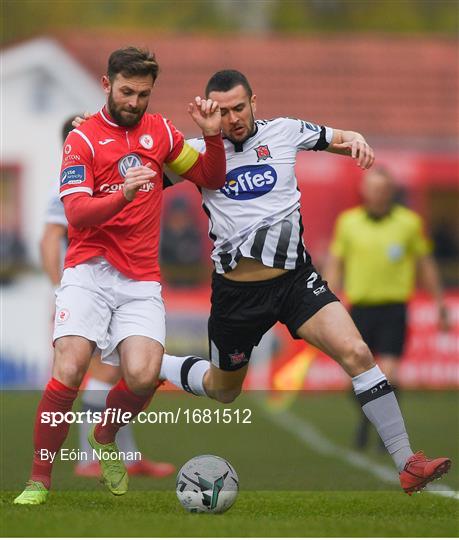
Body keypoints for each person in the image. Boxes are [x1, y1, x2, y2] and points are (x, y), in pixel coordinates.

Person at [72, 70, 452, 494]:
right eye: (222, 111)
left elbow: (338, 136)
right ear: (209, 112)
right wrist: (100, 135)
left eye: (239, 107)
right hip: (237, 296)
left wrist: (357, 140)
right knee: (223, 390)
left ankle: (408, 463)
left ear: (255, 102)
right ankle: (158, 366)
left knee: (357, 351)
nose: (232, 118)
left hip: (295, 282)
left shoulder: (286, 132)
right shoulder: (197, 156)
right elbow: (130, 173)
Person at [14, 46, 226, 505]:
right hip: (88, 272)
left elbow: (211, 176)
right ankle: (38, 479)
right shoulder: (83, 139)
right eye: (126, 91)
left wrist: (210, 138)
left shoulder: (162, 133)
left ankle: (105, 436)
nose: (133, 102)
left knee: (144, 374)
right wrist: (122, 198)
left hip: (140, 279)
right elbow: (77, 213)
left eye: (143, 94)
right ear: (107, 85)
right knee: (68, 368)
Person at [39, 117, 176, 479]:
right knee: (100, 372)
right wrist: (60, 290)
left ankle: (124, 456)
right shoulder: (65, 188)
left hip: (124, 280)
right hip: (88, 285)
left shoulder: (111, 169)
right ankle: (90, 458)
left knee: (120, 375)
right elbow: (50, 239)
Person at [323, 167, 449, 450]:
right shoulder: (348, 222)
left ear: (391, 192)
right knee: (352, 382)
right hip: (359, 311)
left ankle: (385, 432)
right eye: (373, 188)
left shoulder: (409, 223)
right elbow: (335, 261)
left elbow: (424, 264)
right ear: (364, 191)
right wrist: (327, 298)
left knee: (388, 376)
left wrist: (439, 301)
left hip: (393, 309)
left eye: (383, 188)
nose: (378, 193)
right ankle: (372, 421)